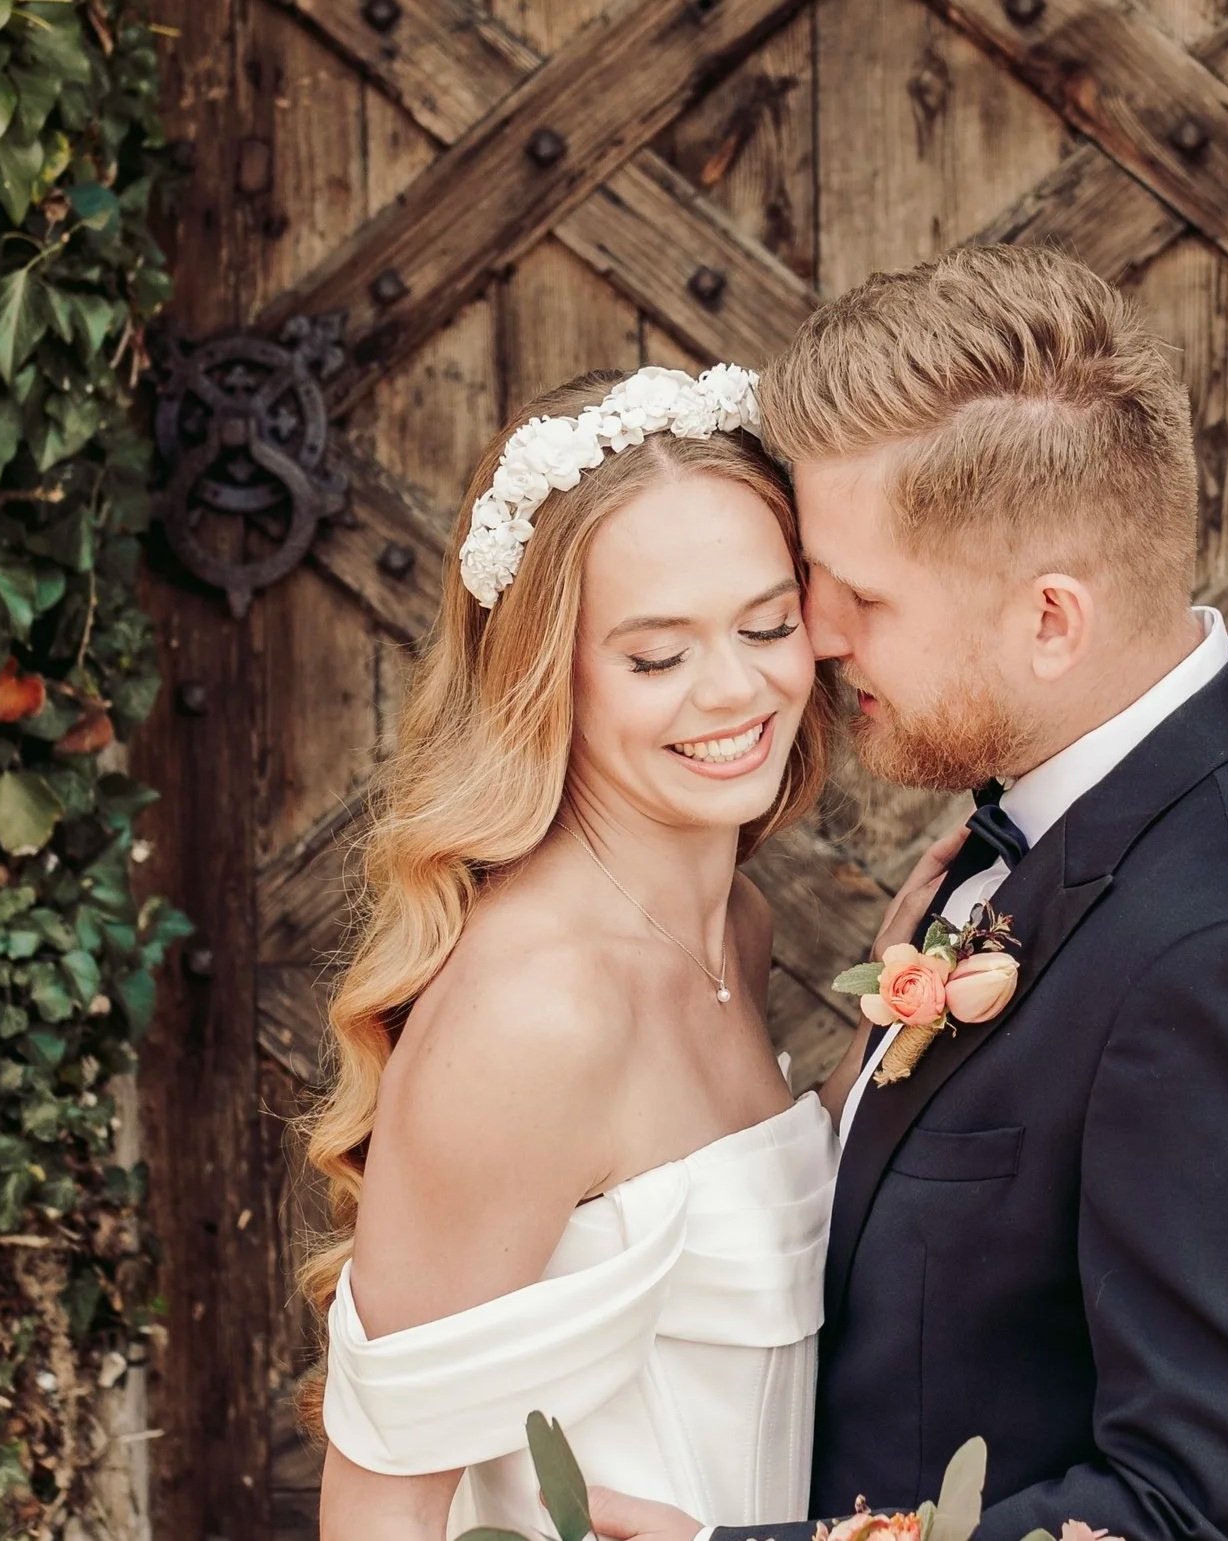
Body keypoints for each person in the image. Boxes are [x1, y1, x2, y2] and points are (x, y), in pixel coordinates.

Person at [586, 245, 1228, 1541]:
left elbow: (1219, 1520)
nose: (810, 634)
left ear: (1050, 621)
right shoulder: (1057, 815)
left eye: (859, 594)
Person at [296, 365, 851, 1540]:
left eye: (767, 623)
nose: (737, 688)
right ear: (547, 675)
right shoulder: (539, 1012)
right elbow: (379, 1501)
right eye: (658, 656)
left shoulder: (736, 929)